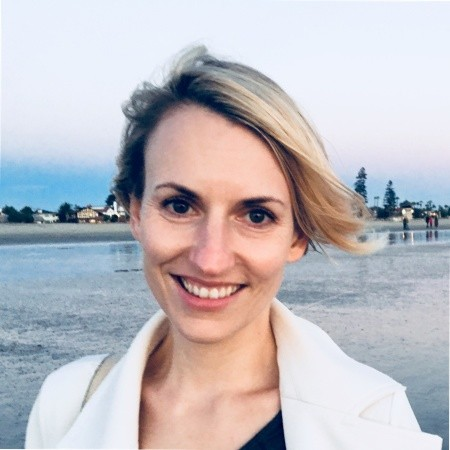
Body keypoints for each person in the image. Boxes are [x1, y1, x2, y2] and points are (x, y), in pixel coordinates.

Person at [25, 47, 442, 449]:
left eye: (256, 216)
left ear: (297, 237)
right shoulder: (67, 404)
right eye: (180, 206)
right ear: (135, 212)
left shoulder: (377, 425)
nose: (210, 260)